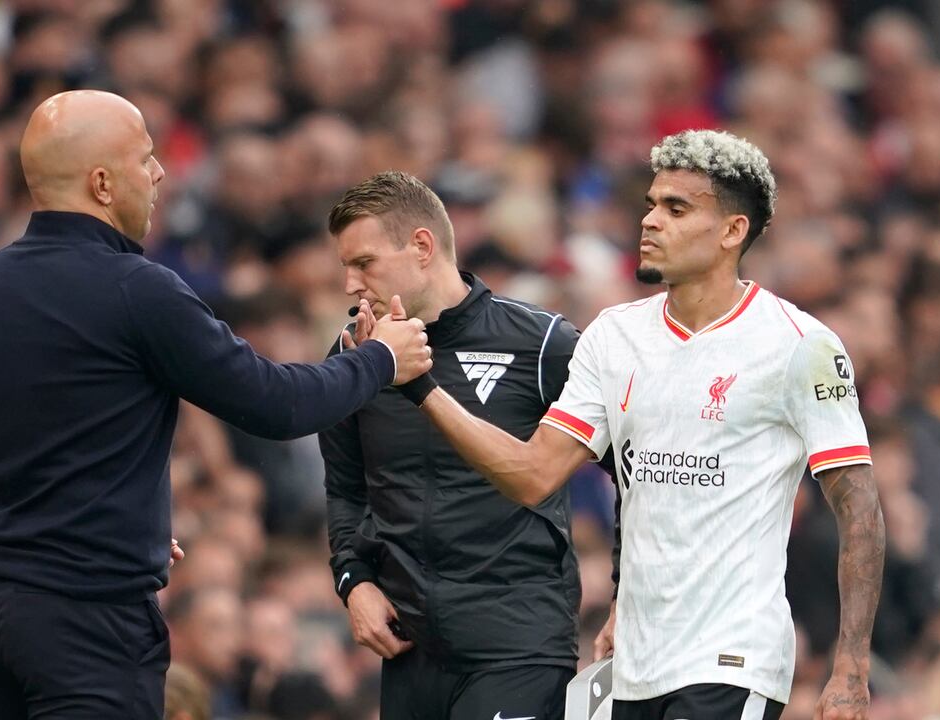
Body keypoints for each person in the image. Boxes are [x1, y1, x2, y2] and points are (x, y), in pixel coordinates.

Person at [360, 130, 885, 720]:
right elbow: (533, 475)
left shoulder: (799, 344)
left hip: (731, 659)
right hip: (634, 663)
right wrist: (423, 389)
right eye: (651, 204)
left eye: (677, 208)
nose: (651, 220)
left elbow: (858, 506)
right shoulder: (614, 336)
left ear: (732, 232)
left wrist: (851, 667)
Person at [0, 90, 432, 719]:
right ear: (101, 183)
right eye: (145, 159)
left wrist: (119, 513)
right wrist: (380, 359)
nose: (160, 174)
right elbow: (277, 406)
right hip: (86, 611)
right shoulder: (136, 290)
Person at [321, 171, 585, 720]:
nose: (350, 284)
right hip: (413, 652)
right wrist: (354, 581)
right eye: (344, 266)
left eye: (363, 263)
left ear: (422, 246)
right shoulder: (354, 356)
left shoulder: (542, 346)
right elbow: (346, 490)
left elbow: (632, 482)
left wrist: (624, 602)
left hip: (519, 646)